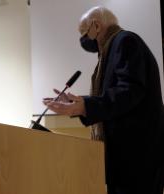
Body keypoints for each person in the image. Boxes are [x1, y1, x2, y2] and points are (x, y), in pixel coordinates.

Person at [43, 6, 164, 194]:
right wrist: (80, 103)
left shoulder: (125, 41)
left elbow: (129, 92)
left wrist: (86, 107)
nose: (83, 40)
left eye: (83, 33)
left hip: (136, 159)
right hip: (126, 159)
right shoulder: (111, 48)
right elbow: (115, 95)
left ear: (96, 25)